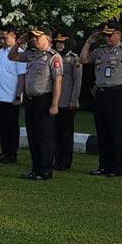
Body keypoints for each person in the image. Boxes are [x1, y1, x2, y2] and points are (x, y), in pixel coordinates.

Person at [80, 24, 122, 177]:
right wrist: (89, 41)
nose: (107, 38)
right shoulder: (99, 51)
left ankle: (117, 167)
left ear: (118, 34)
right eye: (104, 35)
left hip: (117, 94)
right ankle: (103, 166)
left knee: (116, 131)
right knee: (102, 131)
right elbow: (83, 59)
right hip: (101, 93)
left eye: (109, 35)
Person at [8, 27, 63, 181]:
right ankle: (35, 168)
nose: (34, 40)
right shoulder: (31, 54)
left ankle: (45, 170)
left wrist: (54, 104)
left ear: (48, 38)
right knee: (33, 136)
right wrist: (19, 42)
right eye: (32, 37)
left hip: (44, 99)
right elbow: (12, 56)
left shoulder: (54, 57)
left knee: (44, 136)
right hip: (30, 100)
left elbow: (58, 81)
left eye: (37, 37)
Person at [0, 25, 26, 164]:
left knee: (12, 126)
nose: (2, 40)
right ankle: (4, 151)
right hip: (0, 95)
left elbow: (21, 76)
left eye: (4, 37)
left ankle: (12, 153)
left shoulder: (19, 53)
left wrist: (18, 96)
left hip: (11, 96)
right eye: (0, 37)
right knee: (3, 125)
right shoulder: (0, 52)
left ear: (13, 37)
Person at [53, 33, 83, 170]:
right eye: (57, 42)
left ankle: (65, 161)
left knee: (66, 133)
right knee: (55, 132)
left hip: (67, 100)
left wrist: (74, 99)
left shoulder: (74, 59)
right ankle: (56, 159)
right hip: (55, 101)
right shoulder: (54, 57)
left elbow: (78, 81)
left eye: (62, 42)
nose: (59, 45)